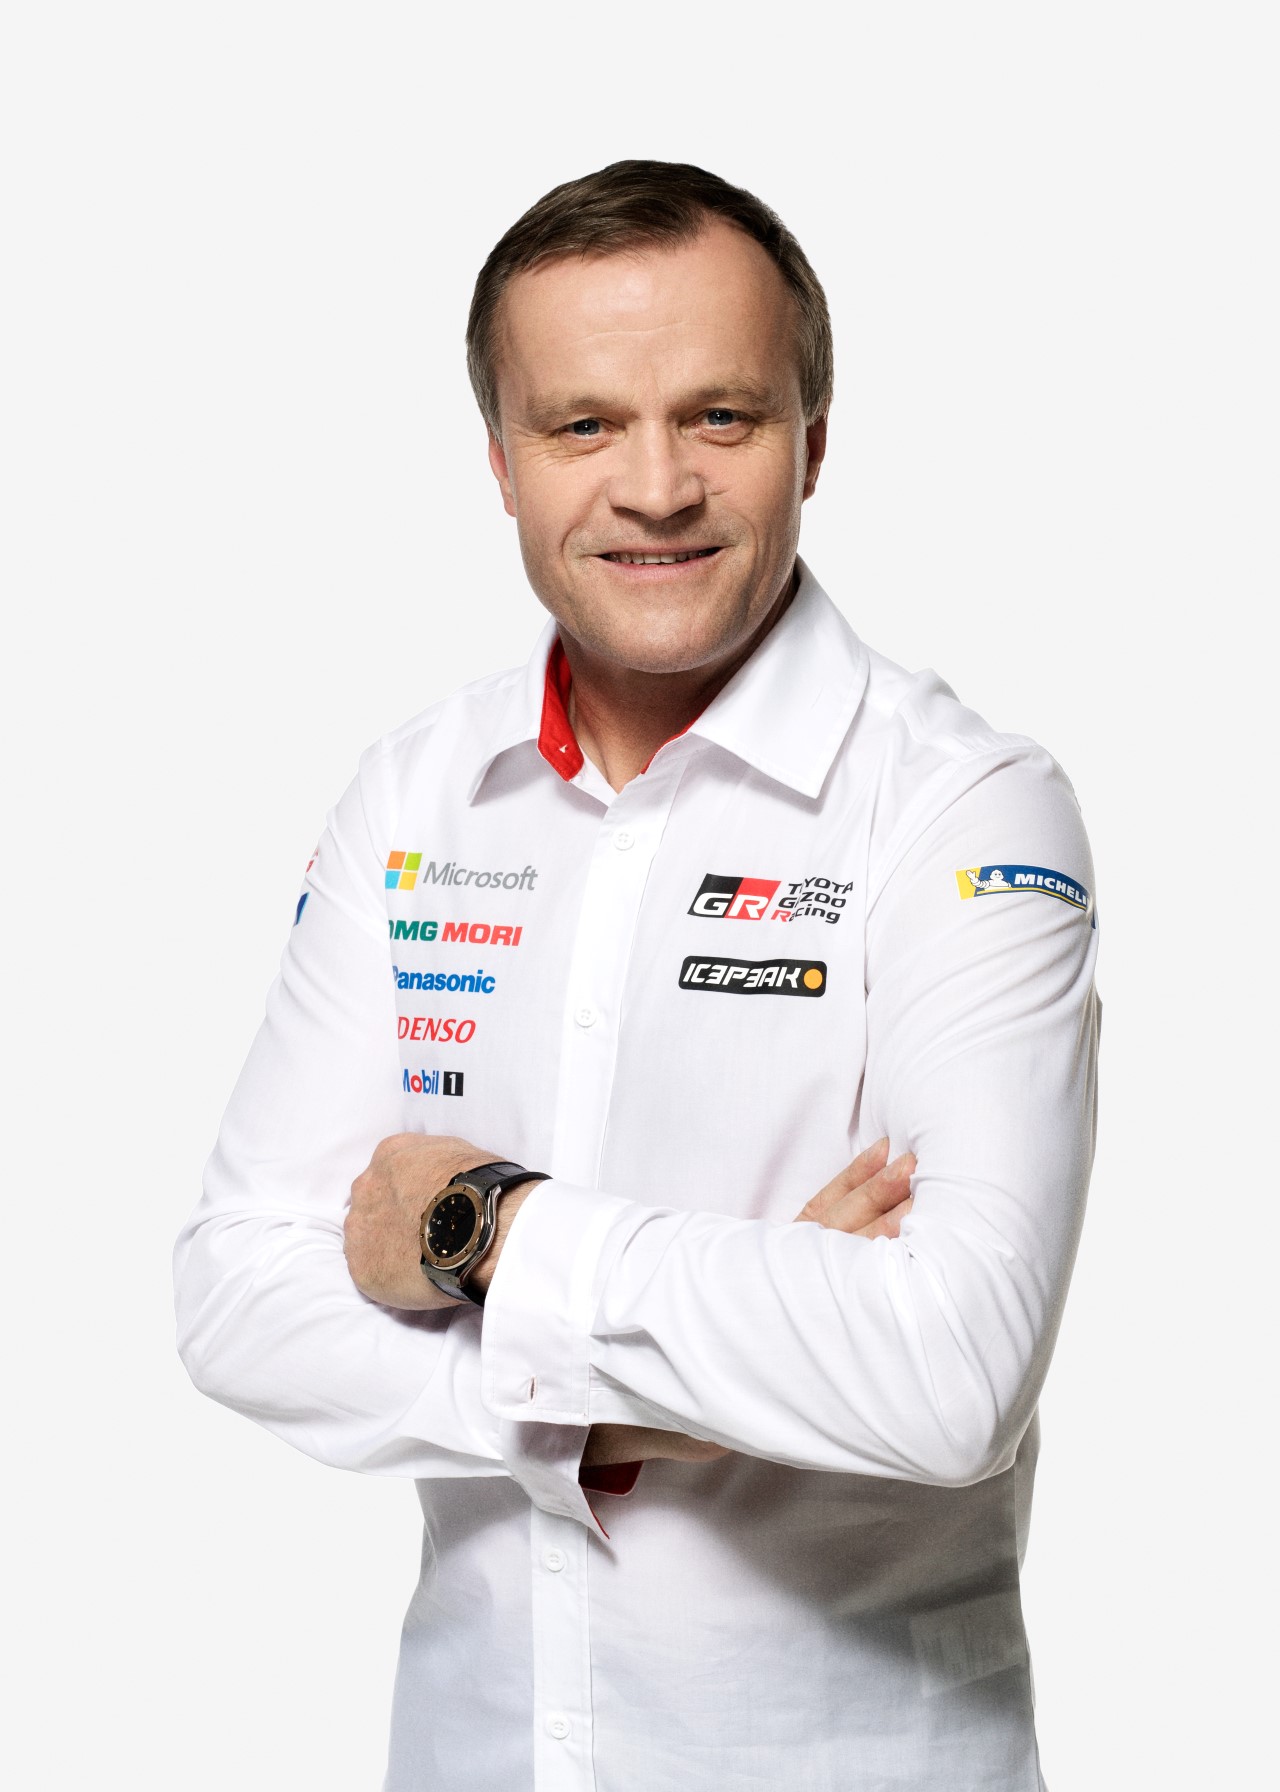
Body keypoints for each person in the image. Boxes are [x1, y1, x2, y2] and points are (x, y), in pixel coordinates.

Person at [174, 159, 1099, 1792]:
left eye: (720, 417)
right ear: (501, 461)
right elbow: (240, 1297)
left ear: (816, 437)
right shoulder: (415, 795)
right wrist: (627, 1408)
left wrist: (481, 1227)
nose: (654, 486)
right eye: (584, 425)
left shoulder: (963, 810)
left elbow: (950, 1372)